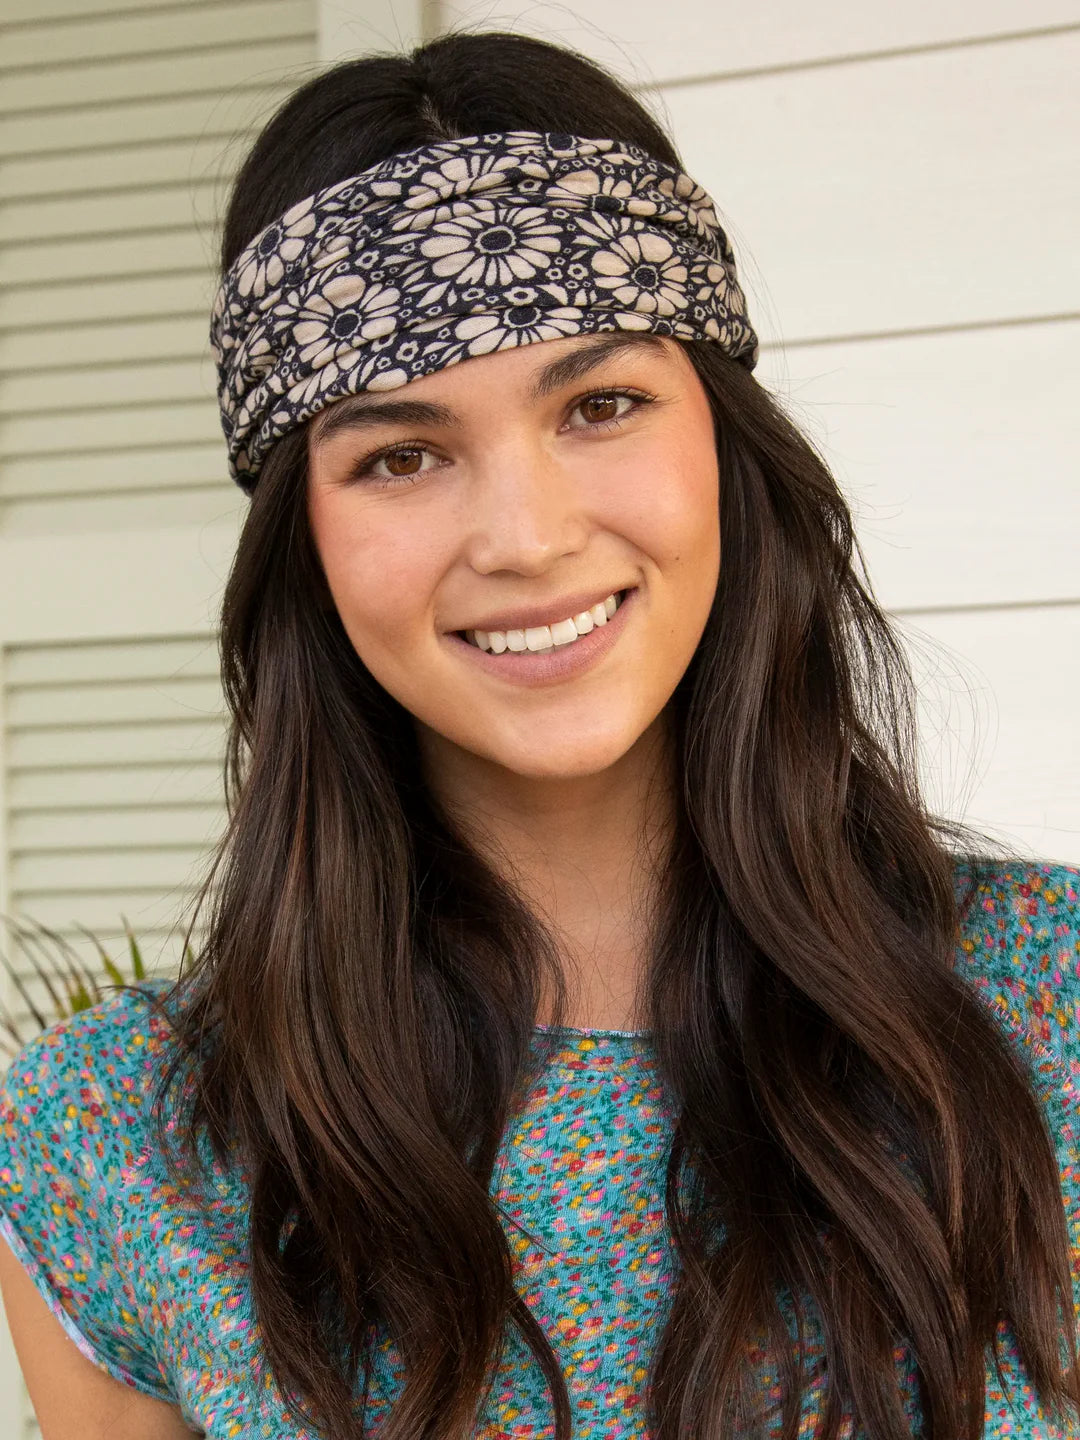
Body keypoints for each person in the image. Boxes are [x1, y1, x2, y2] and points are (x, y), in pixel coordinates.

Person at [0, 27, 1078, 1440]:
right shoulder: (115, 1145)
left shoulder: (1044, 1009)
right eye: (401, 454)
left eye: (603, 404)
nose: (529, 537)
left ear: (725, 446)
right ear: (300, 541)